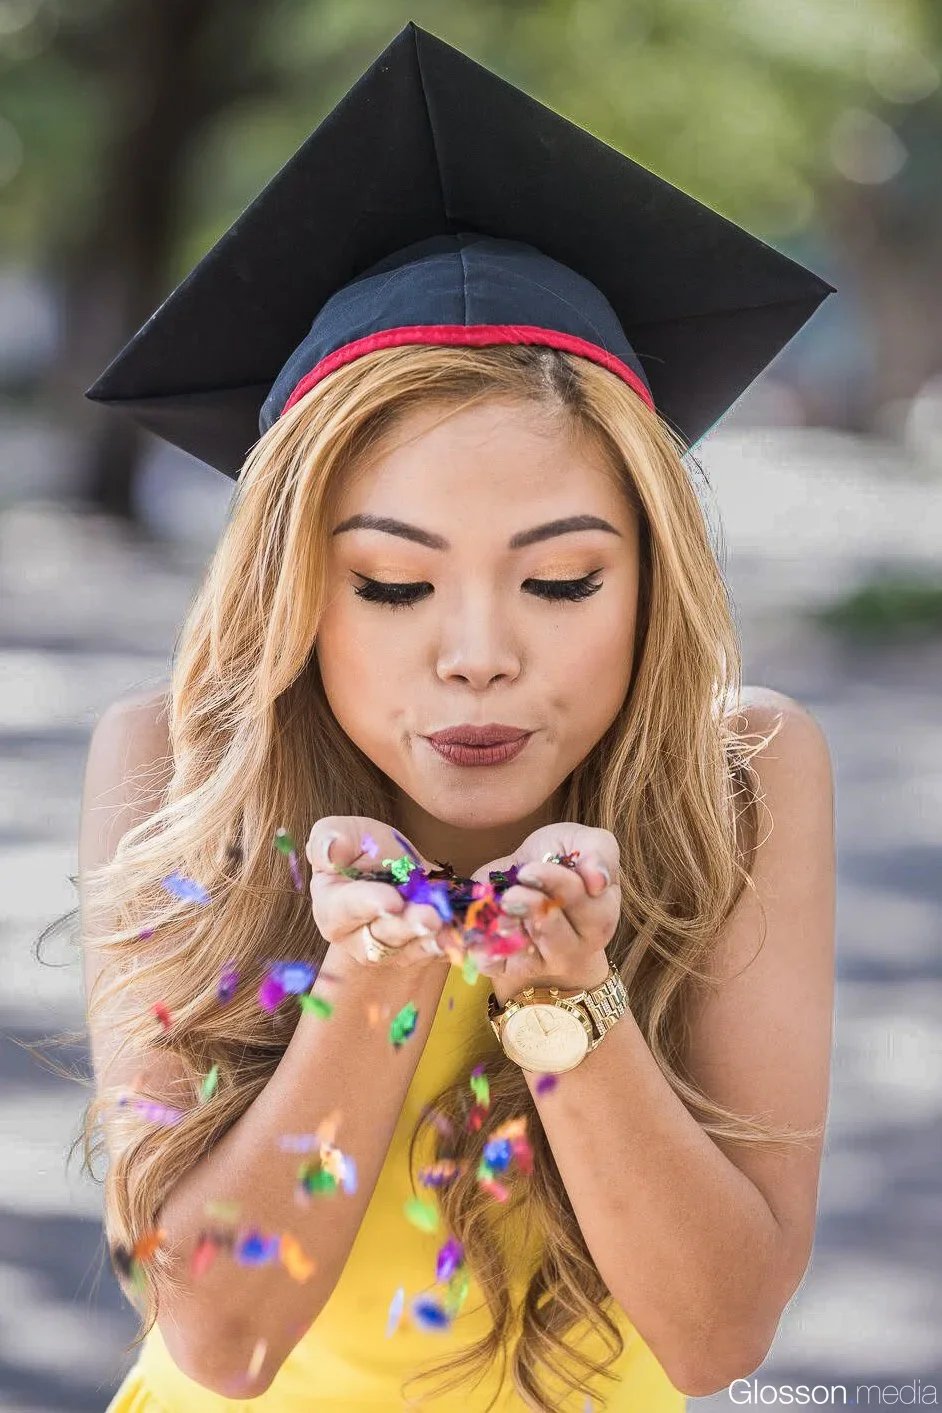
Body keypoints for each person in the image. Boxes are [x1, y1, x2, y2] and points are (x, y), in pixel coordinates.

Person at [77, 22, 837, 1413]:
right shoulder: (167, 767)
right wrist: (371, 986)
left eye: (558, 578)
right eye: (390, 581)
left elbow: (717, 1333)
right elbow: (223, 1335)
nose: (477, 654)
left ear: (649, 580)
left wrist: (564, 1001)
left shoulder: (747, 779)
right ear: (295, 586)